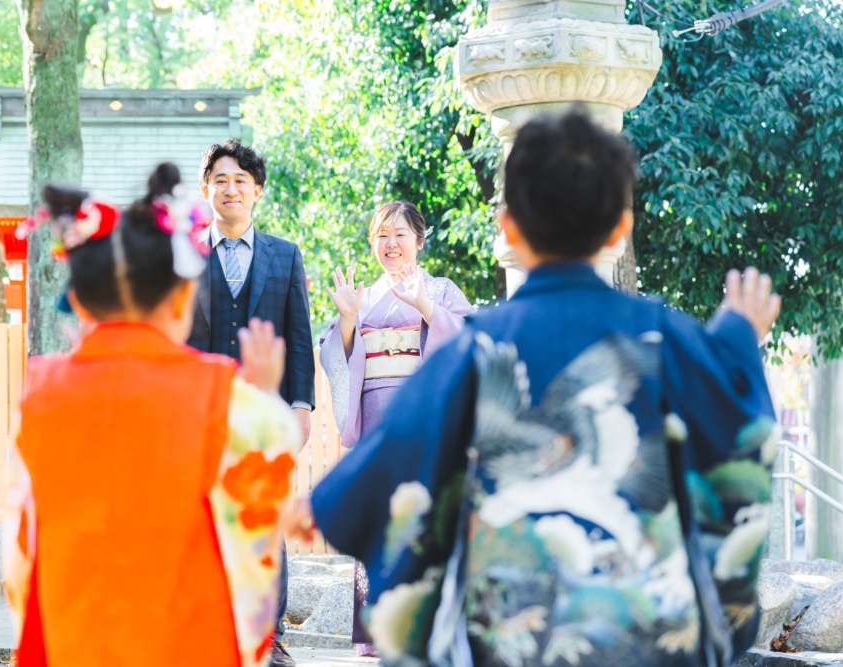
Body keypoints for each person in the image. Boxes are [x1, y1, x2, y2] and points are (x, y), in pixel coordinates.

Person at [288, 110, 782, 667]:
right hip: (645, 644)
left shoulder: (474, 351)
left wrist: (321, 505)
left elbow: (370, 486)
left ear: (507, 227)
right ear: (621, 228)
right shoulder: (666, 339)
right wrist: (737, 343)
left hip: (513, 641)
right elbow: (741, 434)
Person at [1, 165, 302, 667]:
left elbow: (22, 543)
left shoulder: (40, 393)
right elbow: (257, 521)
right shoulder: (226, 395)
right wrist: (268, 395)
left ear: (77, 299)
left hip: (76, 634)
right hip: (187, 638)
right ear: (184, 296)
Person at [319, 201, 473, 655]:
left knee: (427, 512)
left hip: (424, 414)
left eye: (400, 234)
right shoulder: (362, 296)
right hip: (375, 414)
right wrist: (348, 320)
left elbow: (465, 341)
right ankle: (376, 632)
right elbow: (336, 356)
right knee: (379, 517)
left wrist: (422, 303)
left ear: (419, 241)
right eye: (382, 235)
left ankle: (430, 626)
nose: (390, 244)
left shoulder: (441, 289)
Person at [187, 140, 315, 666]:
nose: (231, 188)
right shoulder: (185, 254)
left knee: (263, 513)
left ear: (256, 190)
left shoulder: (285, 255)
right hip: (199, 410)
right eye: (221, 179)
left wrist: (302, 404)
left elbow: (300, 335)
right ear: (207, 189)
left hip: (264, 412)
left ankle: (269, 634)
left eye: (241, 179)